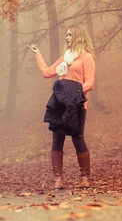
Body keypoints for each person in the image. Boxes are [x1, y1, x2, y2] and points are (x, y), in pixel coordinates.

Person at [28, 25, 96, 189]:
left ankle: (85, 179)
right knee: (57, 139)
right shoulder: (65, 58)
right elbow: (47, 72)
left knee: (77, 138)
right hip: (60, 103)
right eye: (66, 34)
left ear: (78, 36)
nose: (66, 37)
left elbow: (90, 82)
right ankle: (58, 179)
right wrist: (38, 54)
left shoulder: (86, 57)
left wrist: (74, 92)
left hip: (77, 103)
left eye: (70, 35)